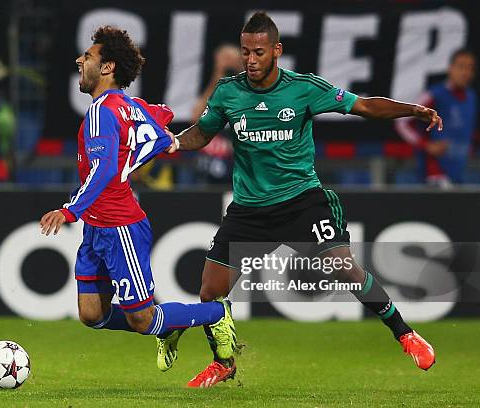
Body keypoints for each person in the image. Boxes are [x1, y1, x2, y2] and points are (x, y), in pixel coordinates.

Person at [165, 12, 441, 387]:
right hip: (249, 209)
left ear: (276, 50)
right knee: (210, 291)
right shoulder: (229, 92)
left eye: (258, 52)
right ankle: (224, 363)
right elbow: (203, 133)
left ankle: (405, 334)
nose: (250, 60)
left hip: (302, 201)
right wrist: (176, 141)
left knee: (343, 267)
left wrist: (413, 109)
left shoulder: (304, 89)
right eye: (245, 52)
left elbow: (365, 106)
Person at [38, 26, 237, 375]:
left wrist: (70, 210)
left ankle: (216, 314)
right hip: (98, 227)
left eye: (88, 55)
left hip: (120, 227)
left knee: (144, 319)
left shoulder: (102, 112)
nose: (79, 59)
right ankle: (168, 324)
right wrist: (160, 129)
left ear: (107, 68)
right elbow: (161, 114)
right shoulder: (128, 106)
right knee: (91, 314)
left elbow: (103, 170)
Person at [396, 49, 477, 187]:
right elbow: (402, 122)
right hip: (435, 174)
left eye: (470, 68)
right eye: (461, 67)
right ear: (450, 68)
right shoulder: (434, 95)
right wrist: (426, 145)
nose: (466, 73)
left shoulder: (471, 97)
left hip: (459, 172)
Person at [191, 44, 242, 184]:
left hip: (235, 171)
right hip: (205, 172)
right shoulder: (214, 88)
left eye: (232, 60)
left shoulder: (248, 90)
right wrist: (218, 76)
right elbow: (195, 117)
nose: (229, 63)